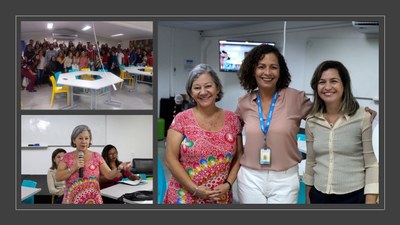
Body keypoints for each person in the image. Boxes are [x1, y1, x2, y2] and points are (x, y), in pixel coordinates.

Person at [235, 44, 376, 204]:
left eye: (273, 67)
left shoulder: (296, 98)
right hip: (250, 177)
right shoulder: (243, 103)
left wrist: (359, 110)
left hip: (285, 178)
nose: (267, 72)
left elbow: (326, 112)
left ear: (280, 71)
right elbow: (233, 132)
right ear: (252, 70)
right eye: (261, 67)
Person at [163, 64, 243, 204]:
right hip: (184, 196)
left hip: (220, 197)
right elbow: (171, 160)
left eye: (208, 86)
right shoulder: (181, 119)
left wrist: (228, 184)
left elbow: (239, 157)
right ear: (191, 93)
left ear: (217, 88)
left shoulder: (233, 120)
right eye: (197, 88)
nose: (203, 92)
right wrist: (194, 188)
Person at [303, 60, 379, 204]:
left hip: (354, 196)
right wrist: (308, 197)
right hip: (319, 195)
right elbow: (311, 162)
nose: (327, 87)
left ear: (344, 85)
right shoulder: (311, 121)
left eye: (334, 81)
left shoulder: (363, 117)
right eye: (322, 82)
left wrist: (370, 201)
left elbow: (372, 164)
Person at [56, 125, 131, 204]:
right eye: (80, 138)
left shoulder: (96, 156)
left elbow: (108, 175)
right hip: (72, 200)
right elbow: (58, 177)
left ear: (89, 140)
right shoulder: (67, 157)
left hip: (93, 200)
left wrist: (119, 168)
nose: (84, 141)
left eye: (86, 138)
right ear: (74, 140)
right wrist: (74, 168)